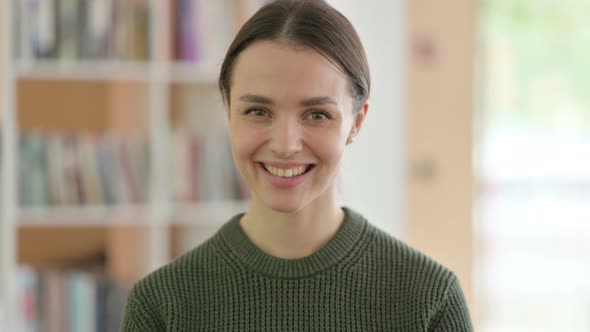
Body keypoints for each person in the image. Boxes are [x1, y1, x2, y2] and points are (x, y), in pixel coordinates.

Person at [121, 0, 474, 331]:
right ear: (228, 110)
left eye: (317, 114)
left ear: (356, 122)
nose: (285, 144)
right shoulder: (160, 306)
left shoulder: (429, 300)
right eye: (258, 111)